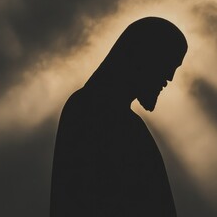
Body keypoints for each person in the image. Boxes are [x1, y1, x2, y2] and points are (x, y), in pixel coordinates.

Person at [50, 17, 188, 216]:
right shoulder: (87, 109)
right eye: (167, 63)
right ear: (143, 56)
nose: (170, 78)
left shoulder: (131, 125)